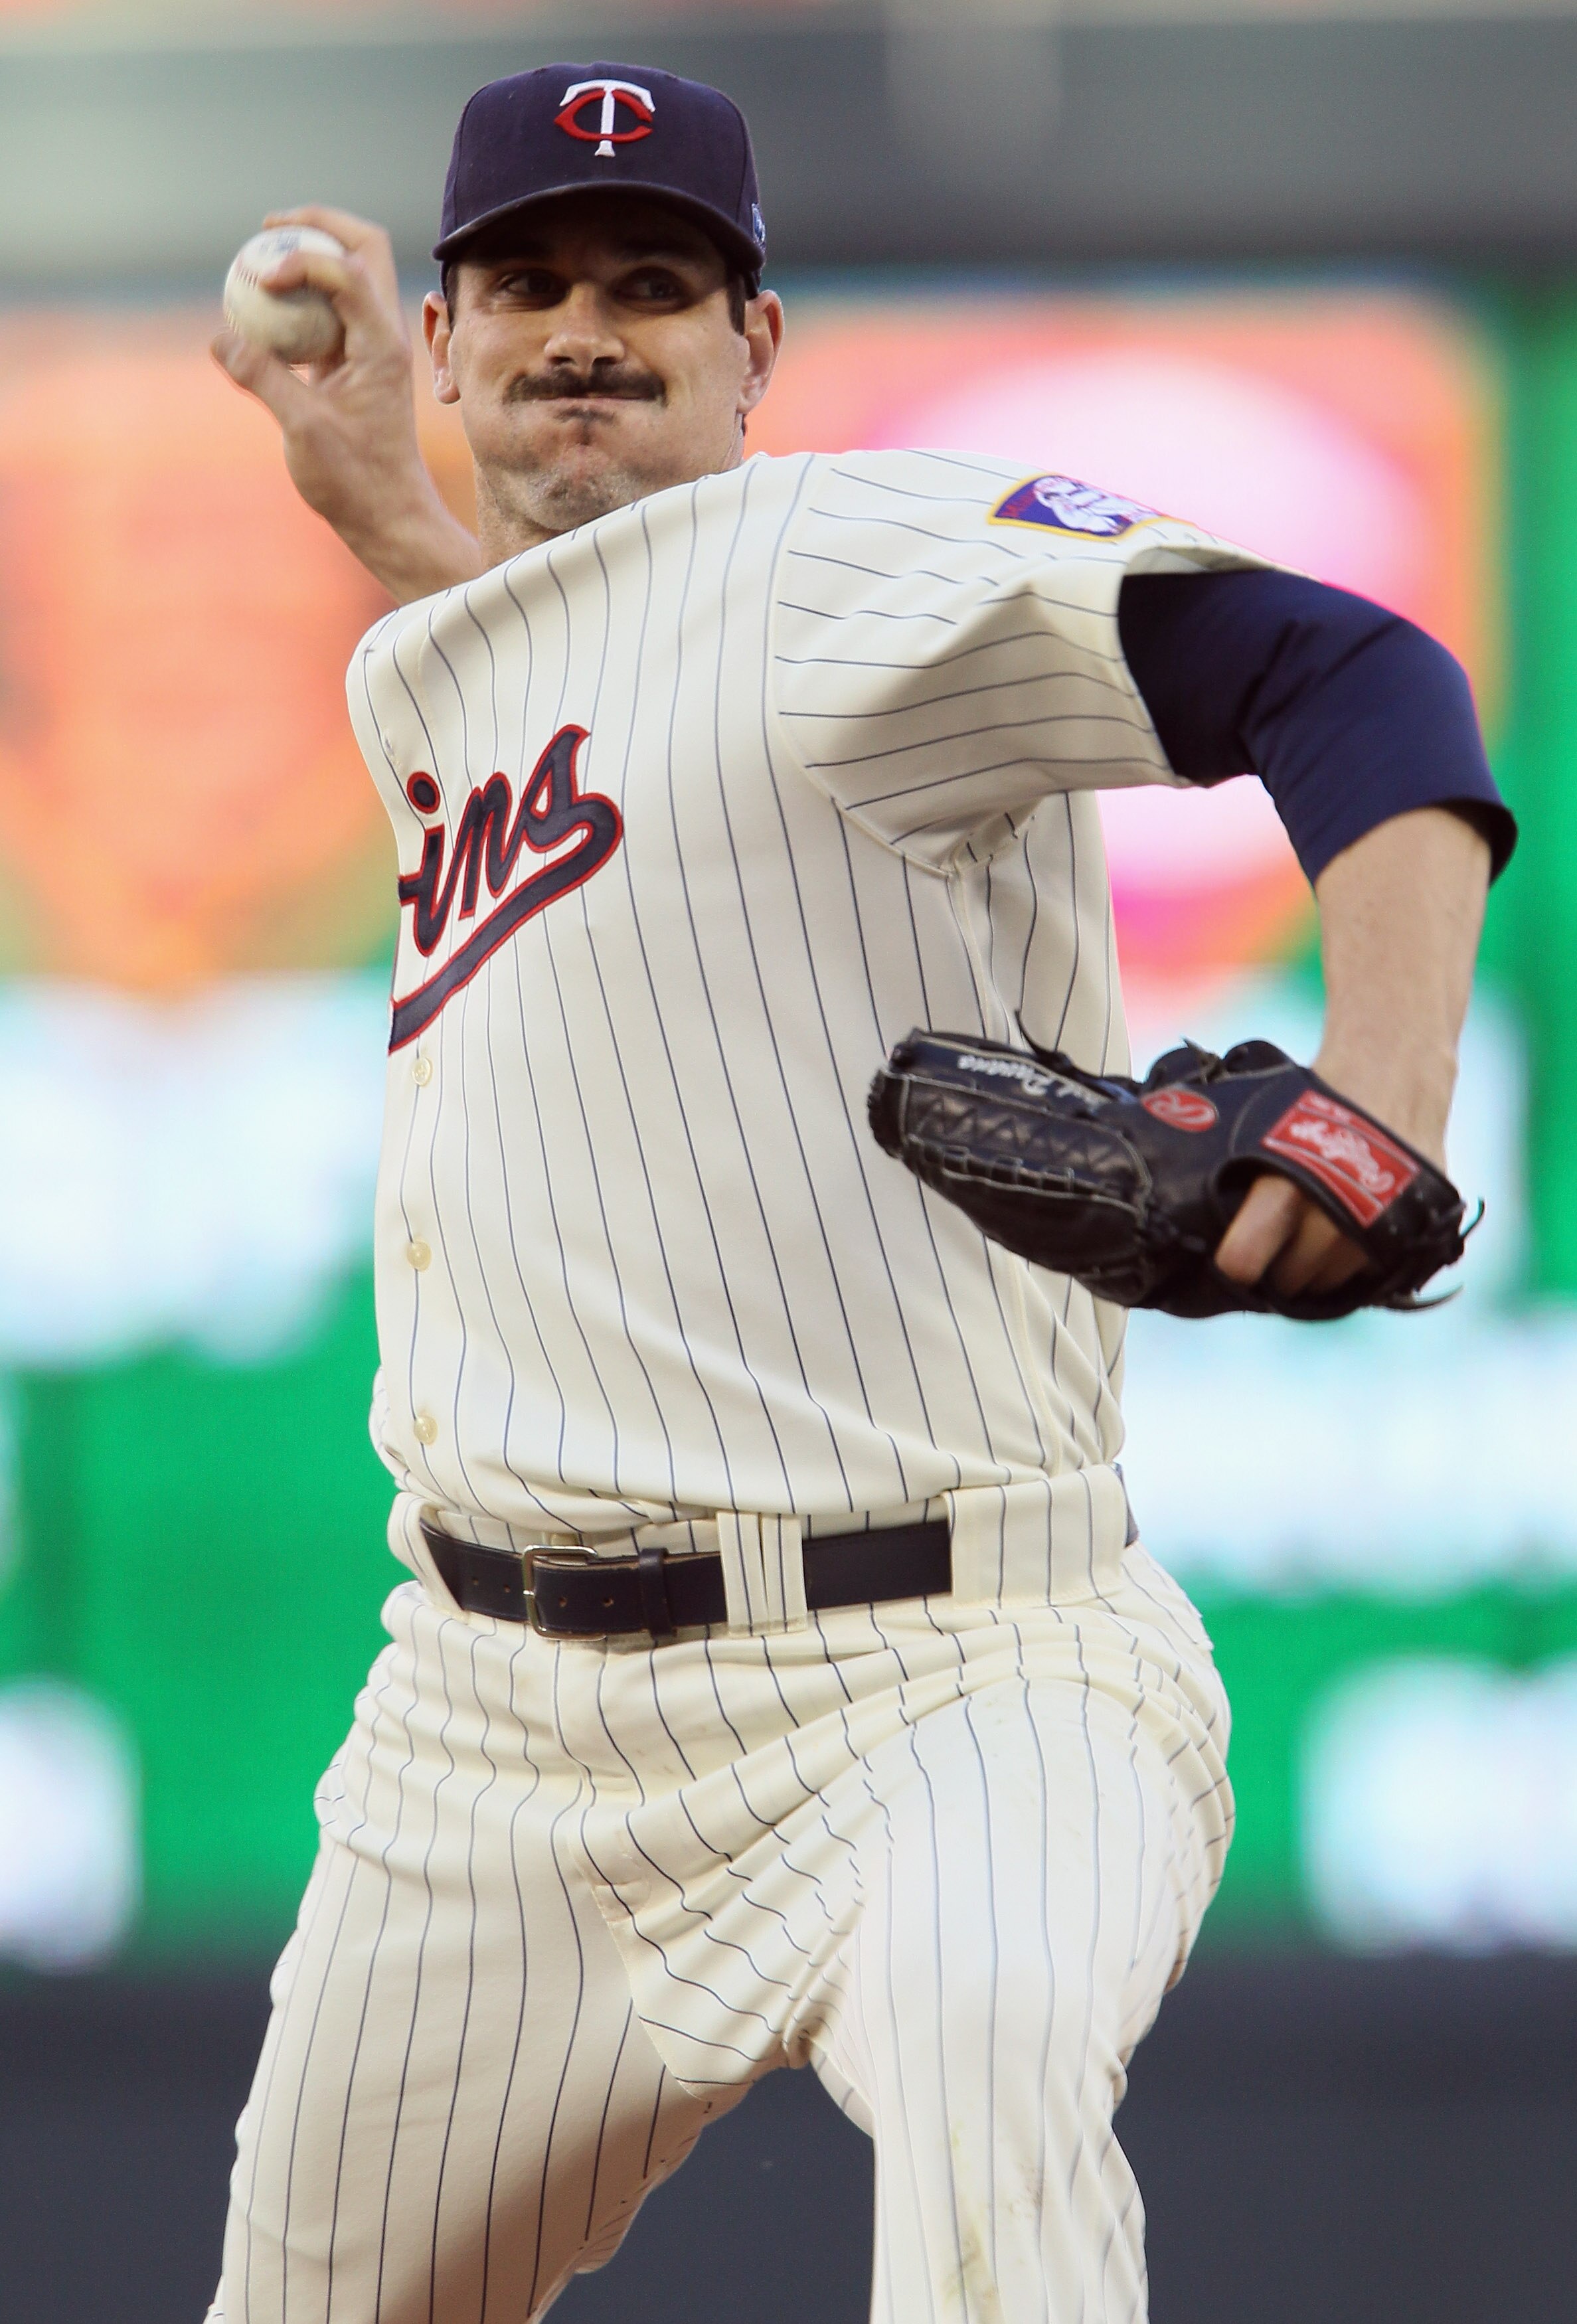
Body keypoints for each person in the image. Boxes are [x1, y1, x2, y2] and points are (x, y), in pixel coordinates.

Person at [207, 61, 1511, 2324]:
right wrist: (376, 508)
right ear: (446, 342)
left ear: (760, 348)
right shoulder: (465, 662)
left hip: (951, 1678)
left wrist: (1381, 1111)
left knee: (997, 2105)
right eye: (528, 286)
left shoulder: (854, 562)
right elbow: (612, 719)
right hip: (491, 1736)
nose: (586, 329)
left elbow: (1350, 671)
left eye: (654, 286)